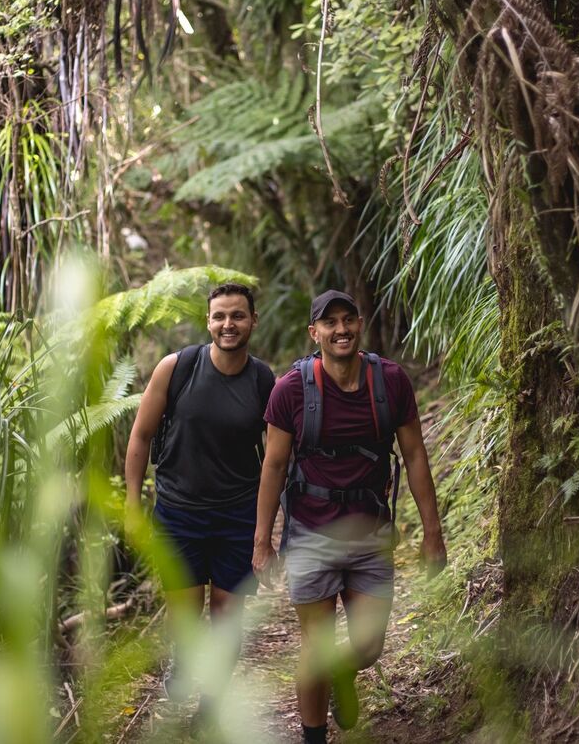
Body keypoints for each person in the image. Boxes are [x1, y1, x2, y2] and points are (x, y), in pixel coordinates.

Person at [252, 289, 447, 744]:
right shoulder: (290, 390)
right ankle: (314, 737)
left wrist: (433, 534)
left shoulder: (390, 381)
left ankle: (343, 671)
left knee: (369, 645)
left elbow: (415, 455)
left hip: (370, 532)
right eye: (330, 322)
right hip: (310, 535)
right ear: (314, 332)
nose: (340, 329)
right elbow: (274, 466)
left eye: (348, 320)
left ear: (359, 325)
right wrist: (262, 542)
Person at [124, 282, 275, 721]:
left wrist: (268, 529)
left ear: (252, 321)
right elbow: (140, 436)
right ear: (208, 321)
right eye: (220, 316)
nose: (229, 324)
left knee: (228, 618)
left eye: (238, 316)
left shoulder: (264, 380)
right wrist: (133, 505)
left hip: (237, 514)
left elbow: (279, 454)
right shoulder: (177, 368)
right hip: (178, 512)